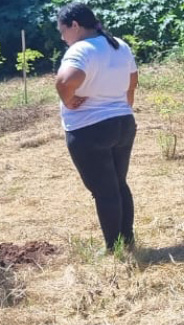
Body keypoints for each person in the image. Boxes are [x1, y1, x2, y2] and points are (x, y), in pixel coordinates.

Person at [55, 3, 139, 252]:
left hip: (90, 130)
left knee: (104, 192)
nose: (62, 38)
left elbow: (64, 81)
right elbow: (132, 81)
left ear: (75, 25)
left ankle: (112, 248)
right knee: (119, 185)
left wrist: (69, 100)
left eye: (62, 31)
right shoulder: (119, 45)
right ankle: (128, 241)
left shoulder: (81, 49)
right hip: (123, 124)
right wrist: (123, 107)